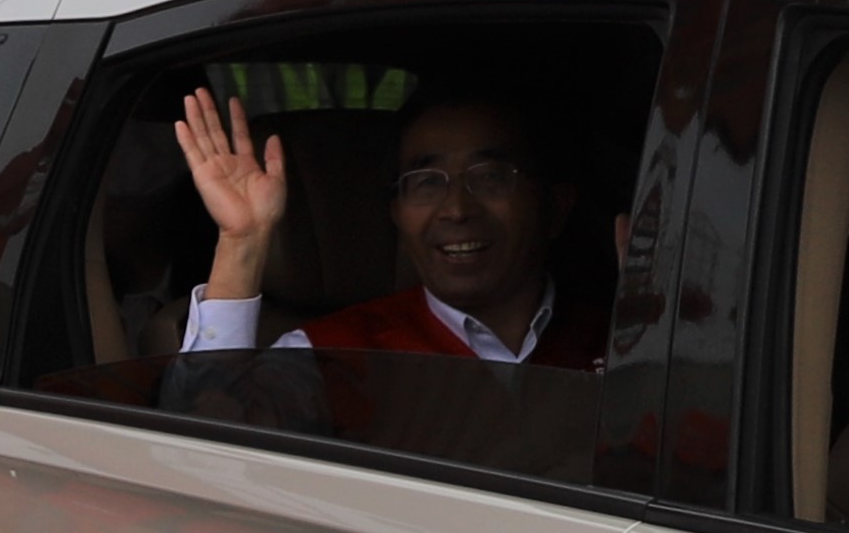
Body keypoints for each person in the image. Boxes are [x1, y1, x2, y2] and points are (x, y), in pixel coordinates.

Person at [167, 85, 592, 369]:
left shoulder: (618, 344)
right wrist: (243, 240)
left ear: (555, 208)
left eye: (490, 177)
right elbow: (203, 455)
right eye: (426, 183)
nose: (457, 209)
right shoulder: (327, 357)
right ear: (397, 217)